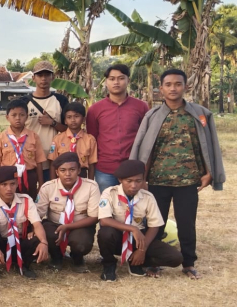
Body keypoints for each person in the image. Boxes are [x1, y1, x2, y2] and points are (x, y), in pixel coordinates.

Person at [129, 69, 225, 279]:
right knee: (155, 223)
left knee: (186, 223)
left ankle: (189, 262)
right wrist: (141, 179)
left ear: (186, 87)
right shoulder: (152, 116)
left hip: (188, 180)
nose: (173, 88)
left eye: (178, 84)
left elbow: (209, 146)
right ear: (161, 88)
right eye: (169, 84)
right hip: (157, 180)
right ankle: (154, 262)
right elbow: (143, 149)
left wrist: (209, 173)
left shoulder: (200, 114)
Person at [97, 160, 182, 281]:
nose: (134, 185)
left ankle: (136, 262)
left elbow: (154, 225)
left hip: (139, 239)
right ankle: (109, 264)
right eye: (129, 181)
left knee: (175, 258)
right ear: (120, 180)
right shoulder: (110, 193)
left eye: (138, 181)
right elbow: (104, 220)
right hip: (117, 237)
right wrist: (132, 228)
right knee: (105, 233)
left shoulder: (148, 196)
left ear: (143, 180)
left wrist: (142, 249)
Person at [86, 63, 150, 194]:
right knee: (107, 208)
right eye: (112, 79)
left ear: (128, 80)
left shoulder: (141, 107)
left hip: (133, 169)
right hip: (105, 169)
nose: (116, 82)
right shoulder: (95, 110)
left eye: (121, 78)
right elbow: (92, 138)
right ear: (106, 82)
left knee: (136, 209)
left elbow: (146, 139)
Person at [35, 152, 100, 271]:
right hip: (55, 224)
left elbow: (94, 217)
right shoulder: (48, 187)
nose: (68, 174)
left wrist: (68, 226)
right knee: (46, 233)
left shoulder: (91, 186)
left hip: (80, 225)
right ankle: (56, 258)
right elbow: (37, 214)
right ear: (57, 172)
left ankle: (77, 258)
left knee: (81, 243)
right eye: (63, 170)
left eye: (72, 169)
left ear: (79, 170)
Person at [0, 165, 49, 280]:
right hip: (0, 244)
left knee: (36, 238)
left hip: (19, 243)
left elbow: (37, 223)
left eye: (12, 184)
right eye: (4, 185)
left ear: (17, 184)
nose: (9, 188)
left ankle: (23, 265)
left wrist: (44, 242)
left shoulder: (26, 200)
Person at [22, 61, 68, 182]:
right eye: (40, 75)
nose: (43, 78)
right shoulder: (24, 101)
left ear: (52, 77)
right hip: (29, 158)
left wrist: (52, 122)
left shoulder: (60, 100)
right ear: (33, 78)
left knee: (50, 196)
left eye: (47, 75)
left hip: (52, 159)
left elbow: (67, 130)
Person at [0, 99, 44, 199]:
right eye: (14, 115)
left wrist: (41, 184)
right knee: (9, 204)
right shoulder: (1, 137)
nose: (18, 118)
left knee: (29, 203)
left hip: (29, 176)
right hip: (7, 178)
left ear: (27, 116)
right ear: (7, 117)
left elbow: (39, 161)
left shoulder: (33, 136)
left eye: (21, 115)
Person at [49, 102, 97, 179]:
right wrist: (53, 183)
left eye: (76, 116)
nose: (73, 120)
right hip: (63, 175)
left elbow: (91, 165)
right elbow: (52, 163)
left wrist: (90, 183)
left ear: (83, 119)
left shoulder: (90, 140)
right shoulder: (57, 139)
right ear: (65, 120)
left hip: (82, 175)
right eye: (69, 117)